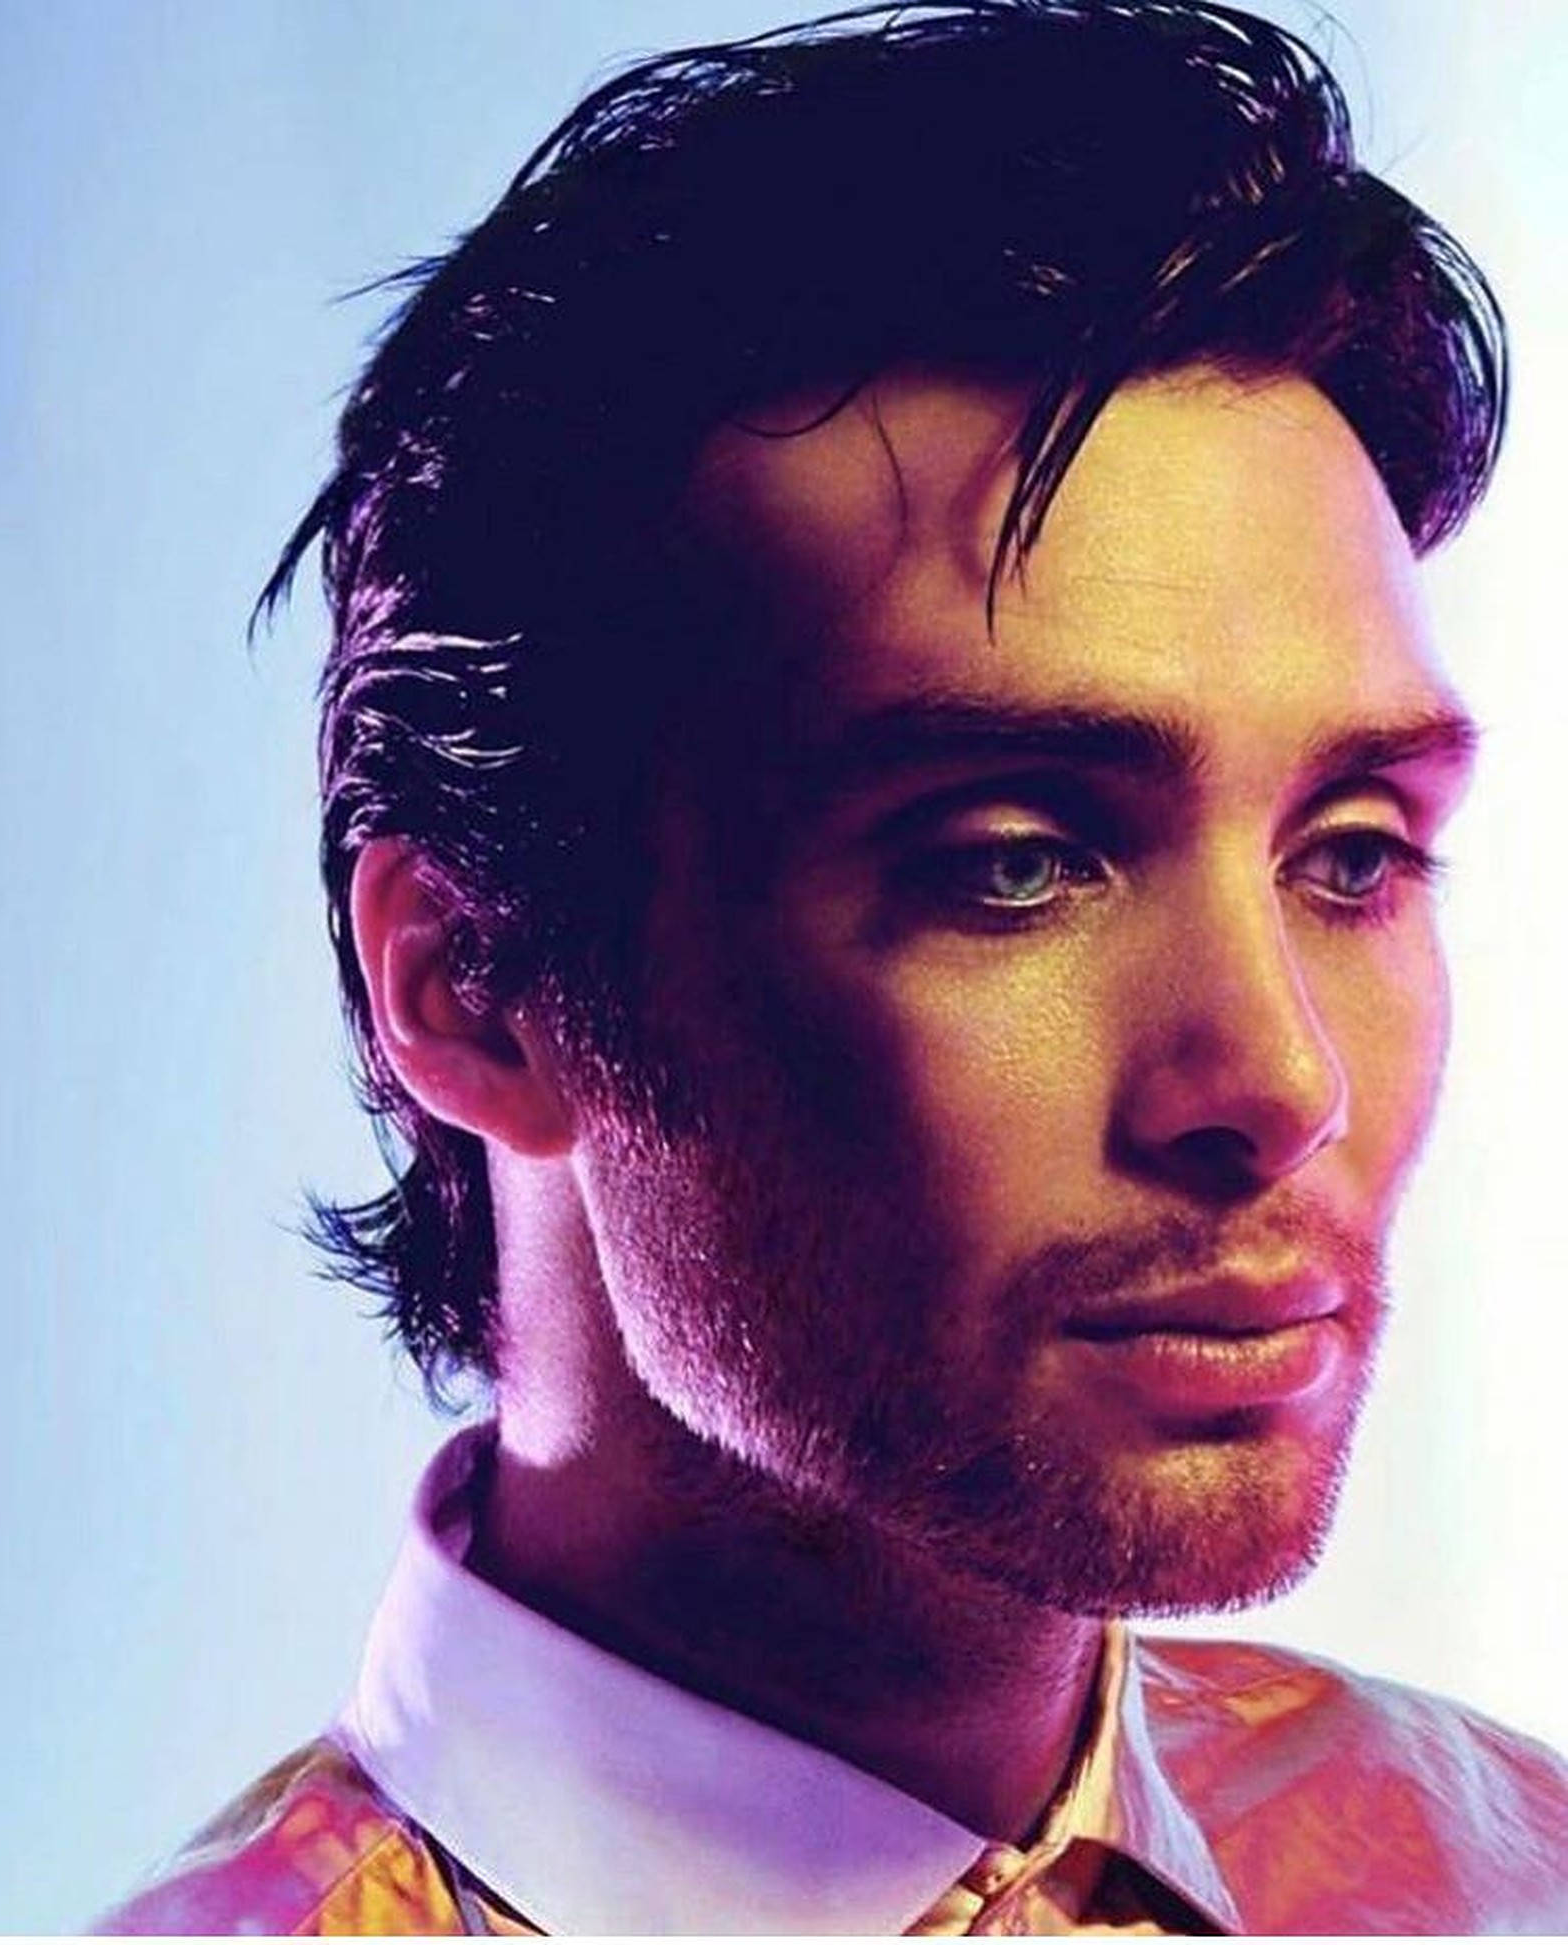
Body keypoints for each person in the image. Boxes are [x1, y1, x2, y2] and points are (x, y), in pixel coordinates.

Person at [95, 0, 1567, 1932]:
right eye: (1015, 861)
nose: (1287, 1085)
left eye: (1351, 853)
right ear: (473, 981)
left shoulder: (1508, 1864)